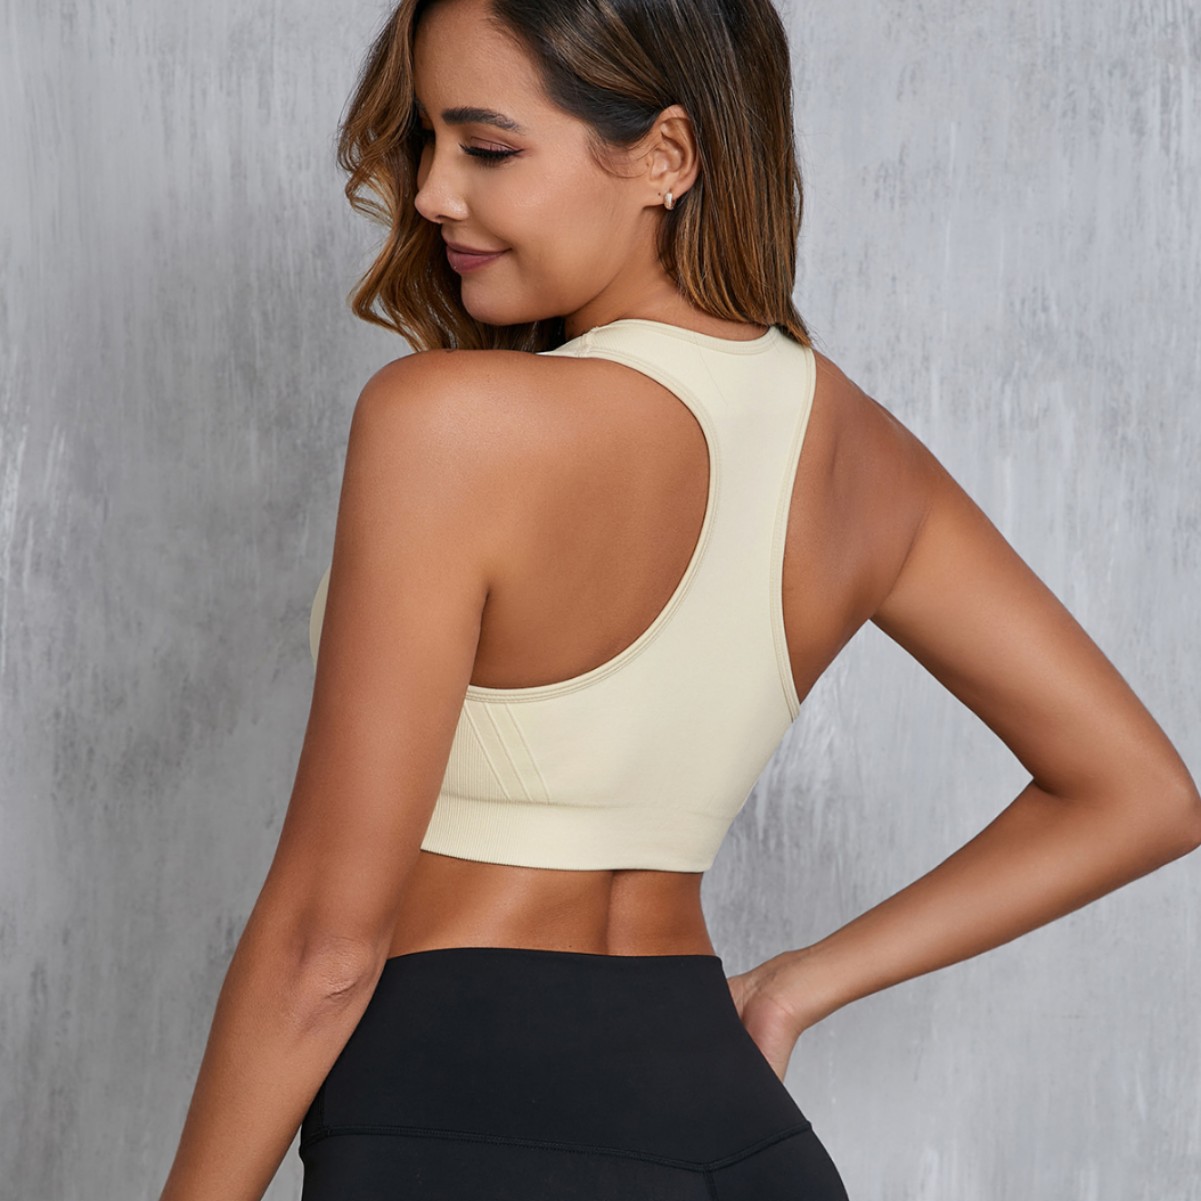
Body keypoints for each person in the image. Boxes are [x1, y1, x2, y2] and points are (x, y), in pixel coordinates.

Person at [157, 0, 1201, 1197]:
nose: (435, 192)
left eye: (486, 147)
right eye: (426, 143)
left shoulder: (444, 424)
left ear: (666, 155)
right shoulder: (857, 451)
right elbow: (1140, 795)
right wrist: (796, 985)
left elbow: (324, 950)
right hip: (731, 1128)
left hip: (459, 1115)